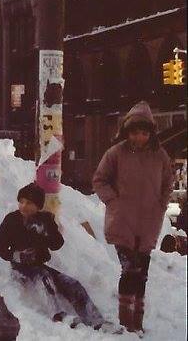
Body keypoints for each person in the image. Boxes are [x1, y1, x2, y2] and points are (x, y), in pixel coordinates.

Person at [92, 101, 174, 334]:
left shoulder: (160, 156)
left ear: (150, 133)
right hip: (123, 221)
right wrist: (113, 200)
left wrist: (161, 204)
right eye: (135, 132)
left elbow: (168, 183)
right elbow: (99, 179)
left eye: (144, 132)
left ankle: (138, 321)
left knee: (142, 273)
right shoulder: (116, 154)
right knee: (129, 270)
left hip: (148, 223)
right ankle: (126, 322)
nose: (140, 137)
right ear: (127, 132)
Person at [0, 183, 112, 331]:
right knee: (44, 278)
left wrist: (46, 232)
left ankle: (96, 320)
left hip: (39, 265)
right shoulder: (11, 220)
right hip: (20, 267)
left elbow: (57, 244)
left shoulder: (45, 219)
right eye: (22, 201)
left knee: (72, 284)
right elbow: (1, 248)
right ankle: (58, 315)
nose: (24, 206)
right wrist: (18, 256)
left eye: (29, 203)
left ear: (38, 206)